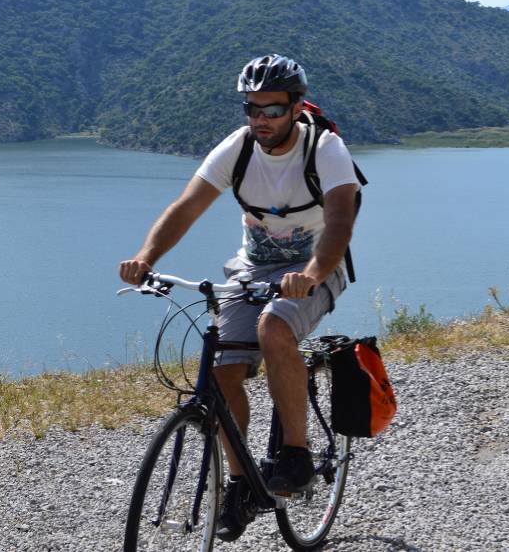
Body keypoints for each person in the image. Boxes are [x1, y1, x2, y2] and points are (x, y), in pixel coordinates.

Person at [118, 54, 361, 542]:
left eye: (272, 110)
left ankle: (294, 454)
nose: (261, 120)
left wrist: (312, 272)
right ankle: (241, 484)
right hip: (252, 270)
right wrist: (146, 256)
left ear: (295, 107)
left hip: (316, 269)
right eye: (252, 109)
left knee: (274, 328)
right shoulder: (239, 148)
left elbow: (339, 220)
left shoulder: (325, 148)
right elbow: (186, 207)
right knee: (223, 370)